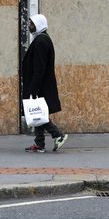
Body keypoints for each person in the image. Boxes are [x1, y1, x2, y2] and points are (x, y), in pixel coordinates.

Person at [22, 14, 69, 153]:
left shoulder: (41, 42)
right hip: (40, 85)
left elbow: (39, 67)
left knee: (39, 114)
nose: (29, 26)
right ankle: (39, 143)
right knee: (37, 113)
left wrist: (33, 89)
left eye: (32, 23)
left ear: (38, 24)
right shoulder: (41, 39)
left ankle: (58, 135)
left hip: (40, 86)